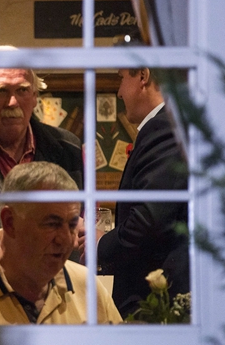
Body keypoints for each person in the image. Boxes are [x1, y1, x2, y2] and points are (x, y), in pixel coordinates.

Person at [0, 161, 122, 325]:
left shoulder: (87, 286)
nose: (65, 239)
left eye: (71, 225)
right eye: (51, 224)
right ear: (9, 222)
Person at [81, 67, 189, 319]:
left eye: (121, 78)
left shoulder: (163, 126)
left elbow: (149, 220)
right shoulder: (169, 124)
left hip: (158, 303)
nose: (119, 93)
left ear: (143, 76)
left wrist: (99, 243)